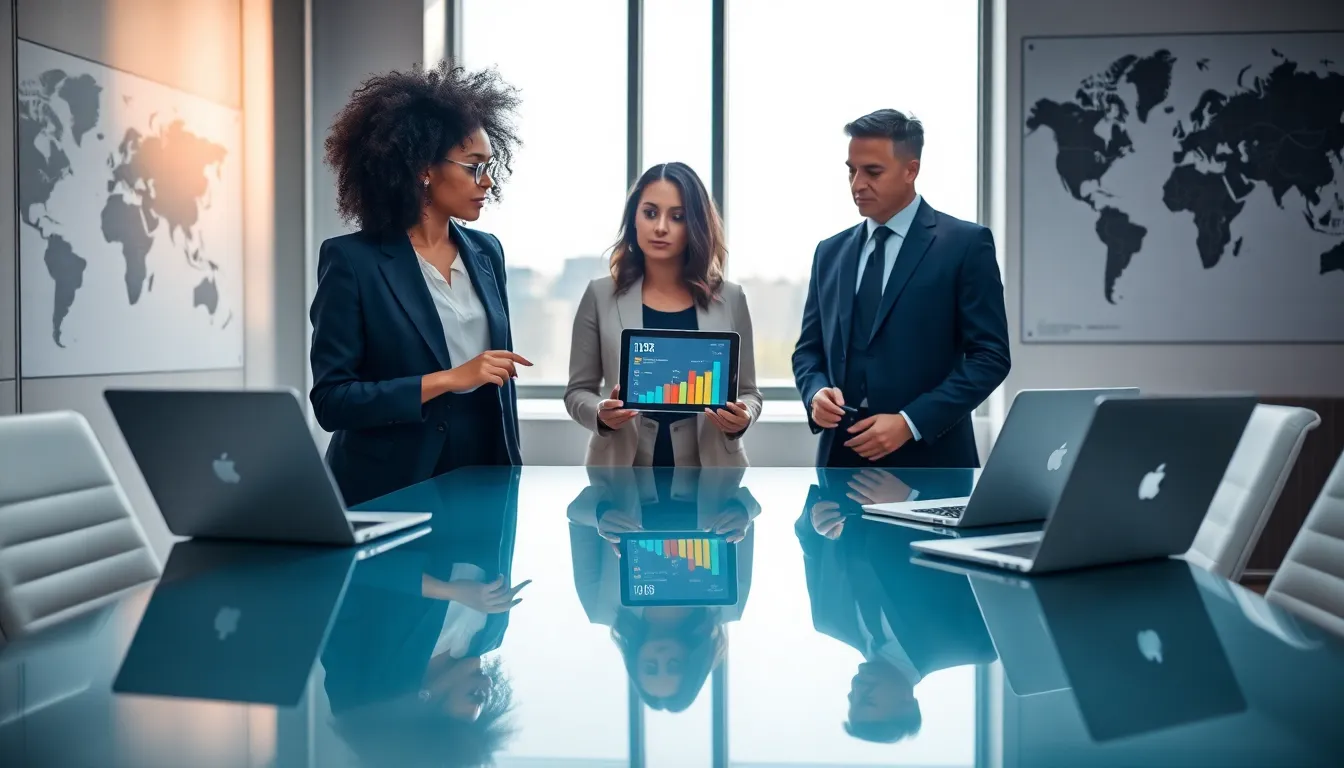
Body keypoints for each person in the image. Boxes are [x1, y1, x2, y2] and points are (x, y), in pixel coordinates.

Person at [310, 61, 529, 506]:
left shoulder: (488, 252)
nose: (487, 182)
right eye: (473, 167)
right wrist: (448, 379)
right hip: (390, 485)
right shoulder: (352, 261)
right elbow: (333, 402)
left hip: (485, 477)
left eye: (489, 166)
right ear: (423, 169)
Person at [792, 109, 1010, 469]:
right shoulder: (829, 252)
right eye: (852, 170)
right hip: (838, 464)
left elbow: (991, 357)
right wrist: (815, 394)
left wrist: (910, 423)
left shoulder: (966, 245)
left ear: (911, 170)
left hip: (931, 460)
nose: (857, 184)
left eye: (872, 171)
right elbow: (808, 351)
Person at [565, 162, 763, 467]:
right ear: (634, 218)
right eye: (650, 213)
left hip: (713, 478)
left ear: (695, 224)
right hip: (619, 474)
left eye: (678, 217)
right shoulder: (599, 294)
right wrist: (600, 414)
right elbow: (578, 391)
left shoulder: (732, 297)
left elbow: (749, 392)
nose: (660, 227)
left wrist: (744, 417)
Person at [797, 476, 996, 743]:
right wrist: (912, 502)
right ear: (907, 703)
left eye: (852, 699)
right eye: (867, 701)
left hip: (844, 465)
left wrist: (814, 521)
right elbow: (987, 543)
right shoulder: (973, 644)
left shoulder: (828, 619)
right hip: (929, 465)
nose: (856, 690)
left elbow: (809, 542)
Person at [567, 466, 758, 711]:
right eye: (674, 664)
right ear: (691, 662)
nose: (661, 656)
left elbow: (575, 514)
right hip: (704, 459)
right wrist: (741, 512)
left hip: (630, 459)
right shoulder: (728, 605)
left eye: (651, 667)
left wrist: (600, 515)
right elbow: (749, 513)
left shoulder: (600, 607)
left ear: (635, 664)